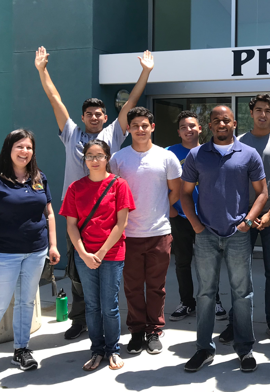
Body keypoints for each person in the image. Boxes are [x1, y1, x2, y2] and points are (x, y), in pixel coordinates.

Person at [35, 46, 154, 340]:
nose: (95, 117)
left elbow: (133, 101)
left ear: (105, 116)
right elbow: (54, 99)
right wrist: (42, 70)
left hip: (105, 210)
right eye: (89, 113)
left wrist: (146, 72)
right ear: (83, 116)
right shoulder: (71, 133)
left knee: (107, 268)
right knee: (77, 270)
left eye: (99, 113)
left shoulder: (113, 133)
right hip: (76, 211)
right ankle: (80, 319)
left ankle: (105, 321)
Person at [0, 130, 60, 385]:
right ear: (9, 148)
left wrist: (52, 245)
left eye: (29, 147)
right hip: (3, 254)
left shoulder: (39, 178)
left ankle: (21, 350)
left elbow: (49, 214)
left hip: (36, 252)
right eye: (20, 146)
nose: (25, 152)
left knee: (26, 303)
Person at [181, 105, 267, 373]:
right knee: (205, 294)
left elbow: (262, 193)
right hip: (206, 234)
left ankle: (245, 349)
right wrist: (195, 224)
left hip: (238, 235)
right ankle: (204, 349)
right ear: (210, 124)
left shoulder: (248, 154)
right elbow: (184, 194)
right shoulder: (196, 155)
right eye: (216, 120)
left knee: (243, 294)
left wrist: (248, 221)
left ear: (234, 123)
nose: (221, 123)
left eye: (226, 120)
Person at [110, 107, 182, 355]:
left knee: (156, 286)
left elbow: (175, 191)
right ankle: (137, 331)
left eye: (145, 125)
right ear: (128, 129)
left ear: (153, 127)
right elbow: (113, 195)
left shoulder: (166, 157)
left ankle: (154, 330)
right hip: (127, 235)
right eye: (135, 125)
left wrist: (161, 207)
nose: (140, 129)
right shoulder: (118, 159)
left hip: (159, 232)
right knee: (131, 287)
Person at [60, 140, 135, 371]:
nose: (94, 160)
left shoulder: (119, 185)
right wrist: (83, 253)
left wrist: (100, 253)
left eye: (99, 155)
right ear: (84, 159)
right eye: (90, 155)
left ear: (107, 158)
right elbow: (71, 225)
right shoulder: (75, 188)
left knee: (109, 306)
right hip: (85, 255)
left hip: (111, 254)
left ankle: (113, 350)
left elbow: (121, 224)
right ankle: (97, 350)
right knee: (91, 305)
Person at [219, 94, 270, 344]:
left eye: (268, 111)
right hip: (242, 219)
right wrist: (246, 217)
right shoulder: (237, 143)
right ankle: (235, 322)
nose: (263, 114)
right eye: (258, 110)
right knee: (239, 273)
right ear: (250, 113)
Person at [167, 111, 226, 322]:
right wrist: (170, 208)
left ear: (200, 128)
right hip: (180, 216)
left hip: (207, 218)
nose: (188, 130)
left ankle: (214, 300)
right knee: (182, 262)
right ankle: (187, 302)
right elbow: (161, 182)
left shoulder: (212, 151)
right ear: (179, 131)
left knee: (209, 263)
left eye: (192, 126)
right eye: (183, 127)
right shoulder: (169, 153)